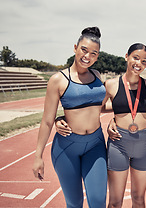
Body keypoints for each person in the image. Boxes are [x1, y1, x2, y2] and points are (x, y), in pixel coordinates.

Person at [56, 43, 146, 208]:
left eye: (144, 61)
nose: (139, 63)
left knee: (139, 199)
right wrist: (60, 118)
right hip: (119, 144)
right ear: (127, 56)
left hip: (144, 144)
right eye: (136, 58)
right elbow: (95, 107)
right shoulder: (111, 85)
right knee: (115, 202)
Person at [32, 27, 108, 208]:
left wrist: (117, 120)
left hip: (95, 145)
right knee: (74, 203)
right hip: (67, 147)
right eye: (84, 50)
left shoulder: (96, 75)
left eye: (93, 53)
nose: (87, 56)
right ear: (75, 48)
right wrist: (38, 156)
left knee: (98, 201)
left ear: (97, 56)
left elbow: (100, 106)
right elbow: (47, 120)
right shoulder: (58, 80)